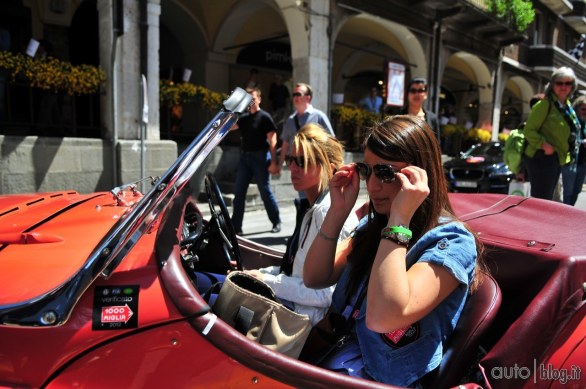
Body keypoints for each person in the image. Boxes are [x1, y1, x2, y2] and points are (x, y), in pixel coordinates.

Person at [303, 115, 485, 387]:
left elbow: (383, 318)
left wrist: (400, 220)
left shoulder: (451, 241)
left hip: (386, 379)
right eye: (368, 171)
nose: (374, 185)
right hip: (333, 357)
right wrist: (338, 212)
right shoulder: (372, 226)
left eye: (386, 172)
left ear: (420, 175)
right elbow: (315, 277)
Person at [245, 123, 359, 325]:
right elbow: (295, 272)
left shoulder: (327, 211)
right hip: (294, 308)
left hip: (304, 320)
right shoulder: (314, 206)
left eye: (302, 161)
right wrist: (260, 275)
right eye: (290, 160)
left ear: (328, 167)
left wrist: (267, 281)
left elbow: (324, 295)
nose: (293, 168)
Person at [277, 82, 335, 232]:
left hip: (314, 169)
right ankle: (303, 233)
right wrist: (280, 164)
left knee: (316, 203)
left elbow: (332, 141)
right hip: (298, 166)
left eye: (298, 94)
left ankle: (314, 232)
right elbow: (284, 144)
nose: (295, 97)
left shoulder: (318, 116)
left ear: (308, 97)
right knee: (304, 202)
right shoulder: (290, 120)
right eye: (294, 94)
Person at [523, 67, 581, 200]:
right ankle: (536, 221)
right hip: (542, 157)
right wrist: (544, 145)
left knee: (549, 199)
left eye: (568, 83)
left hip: (557, 158)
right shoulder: (545, 104)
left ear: (573, 86)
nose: (563, 86)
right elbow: (529, 130)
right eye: (559, 83)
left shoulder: (567, 106)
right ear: (552, 84)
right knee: (542, 199)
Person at [231, 87, 281, 235]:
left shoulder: (265, 117)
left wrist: (273, 161)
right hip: (245, 158)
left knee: (265, 191)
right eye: (248, 98)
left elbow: (273, 139)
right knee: (239, 193)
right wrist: (234, 109)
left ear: (259, 99)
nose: (251, 101)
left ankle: (276, 221)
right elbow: (230, 127)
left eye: (253, 97)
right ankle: (236, 227)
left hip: (260, 158)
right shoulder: (244, 118)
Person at [561, 94, 586, 206]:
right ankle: (565, 214)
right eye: (583, 109)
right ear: (577, 108)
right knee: (568, 192)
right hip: (570, 162)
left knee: (576, 191)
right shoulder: (572, 121)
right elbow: (567, 138)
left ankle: (570, 210)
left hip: (582, 163)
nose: (585, 112)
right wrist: (582, 142)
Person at [400, 78, 441, 144]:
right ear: (407, 94)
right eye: (413, 91)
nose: (417, 94)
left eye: (420, 90)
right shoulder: (398, 116)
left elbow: (437, 144)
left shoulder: (432, 118)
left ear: (426, 94)